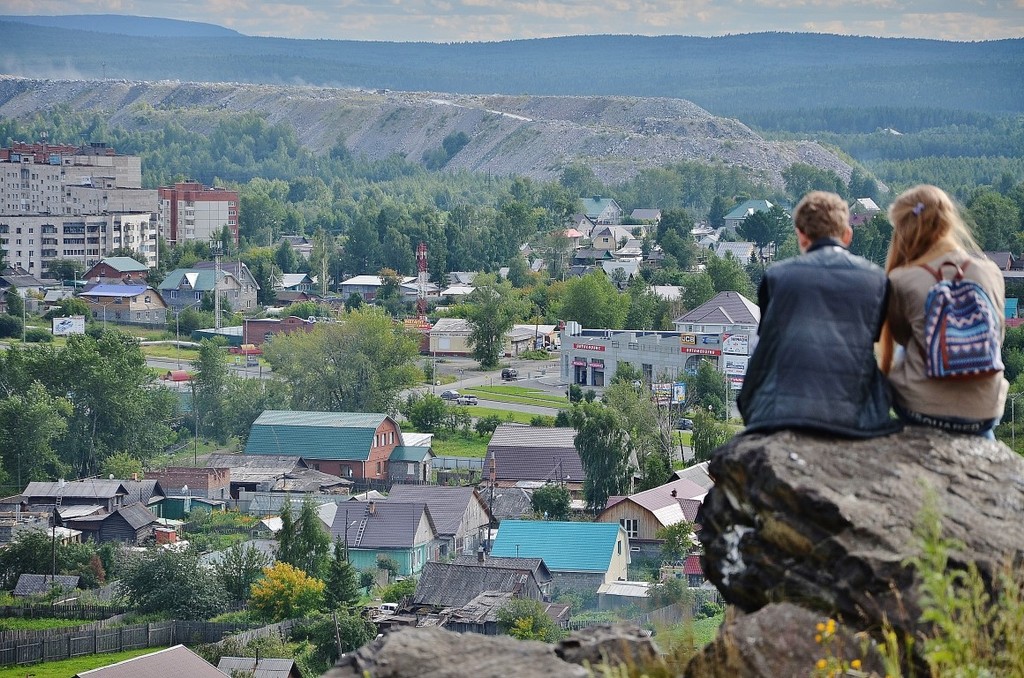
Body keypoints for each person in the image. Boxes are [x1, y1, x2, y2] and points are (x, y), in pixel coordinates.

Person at [739, 191, 900, 437]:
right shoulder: (877, 280)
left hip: (782, 414)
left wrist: (750, 404)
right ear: (848, 235)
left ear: (801, 236)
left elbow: (766, 349)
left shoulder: (777, 276)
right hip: (855, 418)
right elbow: (870, 341)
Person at [879, 184, 1007, 437]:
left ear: (904, 229)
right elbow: (996, 337)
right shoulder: (990, 271)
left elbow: (901, 338)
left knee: (912, 343)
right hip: (985, 413)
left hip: (922, 411)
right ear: (949, 223)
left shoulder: (902, 279)